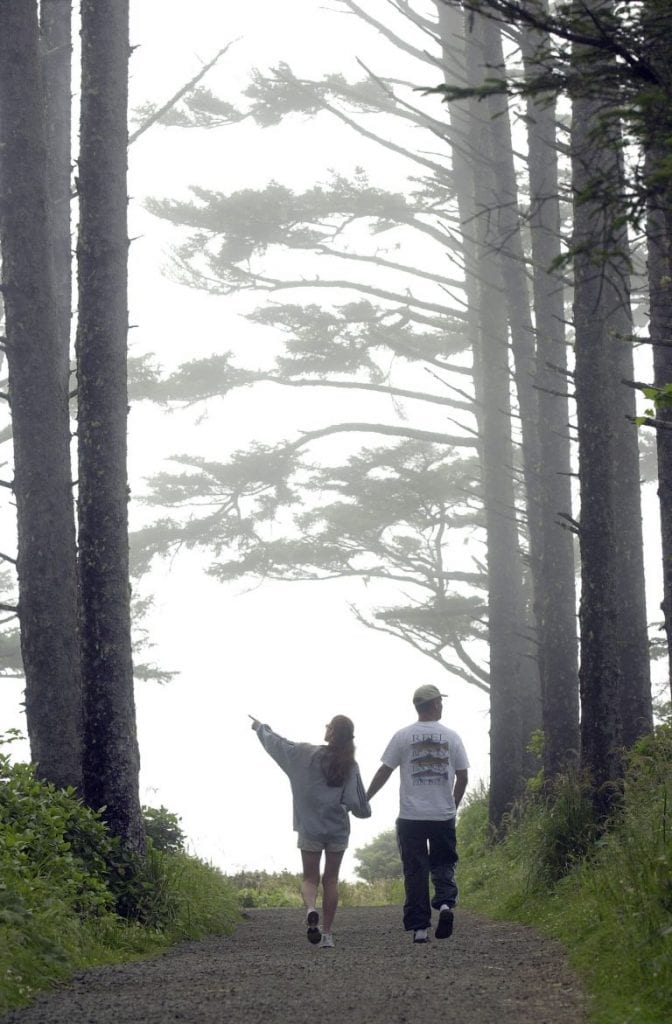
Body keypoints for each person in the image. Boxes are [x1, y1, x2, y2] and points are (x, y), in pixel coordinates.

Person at [250, 713, 371, 949]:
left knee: (310, 878)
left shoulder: (303, 754)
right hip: (337, 829)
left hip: (309, 827)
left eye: (329, 725)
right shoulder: (350, 764)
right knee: (331, 879)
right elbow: (359, 804)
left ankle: (311, 910)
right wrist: (358, 810)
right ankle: (326, 934)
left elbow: (278, 744)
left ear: (331, 732)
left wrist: (260, 728)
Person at [366, 684, 469, 944]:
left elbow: (384, 771)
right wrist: (452, 806)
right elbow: (463, 776)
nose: (442, 706)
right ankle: (445, 906)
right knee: (444, 864)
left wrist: (365, 798)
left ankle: (420, 928)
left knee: (415, 870)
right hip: (442, 815)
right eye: (440, 703)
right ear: (434, 705)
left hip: (411, 817)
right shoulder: (453, 737)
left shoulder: (402, 736)